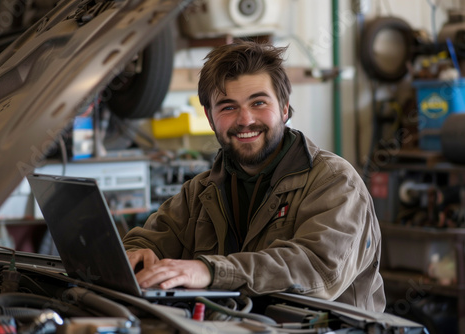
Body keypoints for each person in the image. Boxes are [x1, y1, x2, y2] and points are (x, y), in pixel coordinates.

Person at [123, 40, 386, 312]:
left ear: (284, 108)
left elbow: (317, 269)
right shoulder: (200, 192)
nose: (245, 119)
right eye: (228, 107)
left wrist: (211, 272)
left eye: (258, 102)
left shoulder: (335, 182)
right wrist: (136, 255)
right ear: (210, 119)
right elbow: (145, 240)